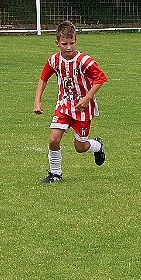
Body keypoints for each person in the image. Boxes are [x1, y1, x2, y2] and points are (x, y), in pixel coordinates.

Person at [34, 20, 108, 183]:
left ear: (76, 41)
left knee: (80, 148)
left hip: (83, 109)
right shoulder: (54, 60)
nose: (68, 47)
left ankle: (97, 146)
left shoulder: (85, 61)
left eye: (71, 43)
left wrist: (87, 98)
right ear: (57, 43)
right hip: (64, 105)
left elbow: (100, 78)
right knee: (53, 139)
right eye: (64, 44)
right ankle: (55, 174)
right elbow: (43, 78)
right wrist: (37, 100)